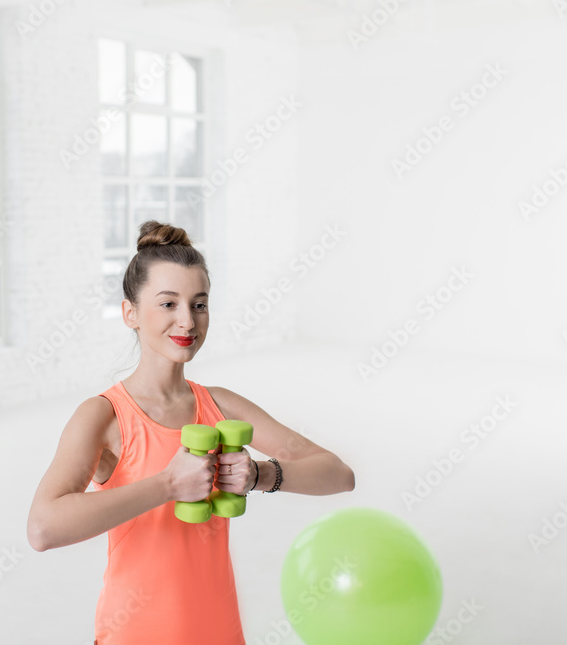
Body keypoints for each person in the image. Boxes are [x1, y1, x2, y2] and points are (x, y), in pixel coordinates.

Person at [27, 220, 355, 644]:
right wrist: (168, 484)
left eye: (199, 304)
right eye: (168, 304)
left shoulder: (220, 406)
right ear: (131, 313)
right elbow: (42, 528)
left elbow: (338, 474)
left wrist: (260, 475)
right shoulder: (103, 416)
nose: (187, 320)